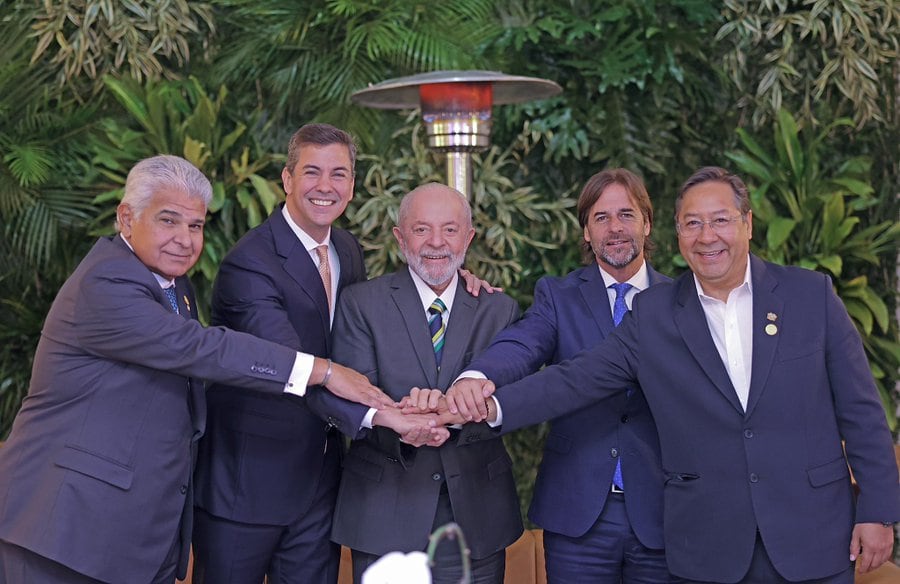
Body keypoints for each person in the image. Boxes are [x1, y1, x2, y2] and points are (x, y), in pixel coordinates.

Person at [448, 167, 900, 583]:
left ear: (747, 224)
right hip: (711, 546)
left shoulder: (810, 295)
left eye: (720, 220)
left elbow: (860, 410)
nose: (708, 237)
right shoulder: (657, 314)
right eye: (692, 224)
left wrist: (878, 510)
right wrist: (488, 405)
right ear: (677, 232)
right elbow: (574, 379)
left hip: (812, 534)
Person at [0, 155, 393, 584]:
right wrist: (325, 371)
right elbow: (201, 348)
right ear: (126, 219)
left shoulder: (171, 285)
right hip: (66, 533)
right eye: (168, 221)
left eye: (196, 226)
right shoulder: (107, 283)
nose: (184, 240)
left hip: (129, 537)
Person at [191, 125, 477, 584]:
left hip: (322, 482)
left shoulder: (345, 248)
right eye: (312, 172)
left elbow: (370, 326)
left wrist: (456, 285)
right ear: (287, 179)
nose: (326, 186)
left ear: (352, 185)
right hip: (248, 485)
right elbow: (293, 363)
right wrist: (383, 417)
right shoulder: (250, 263)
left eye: (339, 173)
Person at [456, 168, 675, 582]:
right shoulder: (558, 296)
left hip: (663, 514)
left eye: (626, 215)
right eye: (600, 218)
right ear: (586, 234)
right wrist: (477, 376)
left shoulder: (682, 302)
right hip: (578, 518)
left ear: (647, 223)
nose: (615, 228)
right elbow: (523, 344)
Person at [330, 183, 524, 584]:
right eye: (421, 229)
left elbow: (513, 400)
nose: (437, 242)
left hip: (477, 513)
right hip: (385, 512)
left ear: (468, 237)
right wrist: (403, 421)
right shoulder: (360, 303)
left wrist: (448, 415)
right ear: (401, 238)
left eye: (450, 230)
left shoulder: (499, 310)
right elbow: (352, 395)